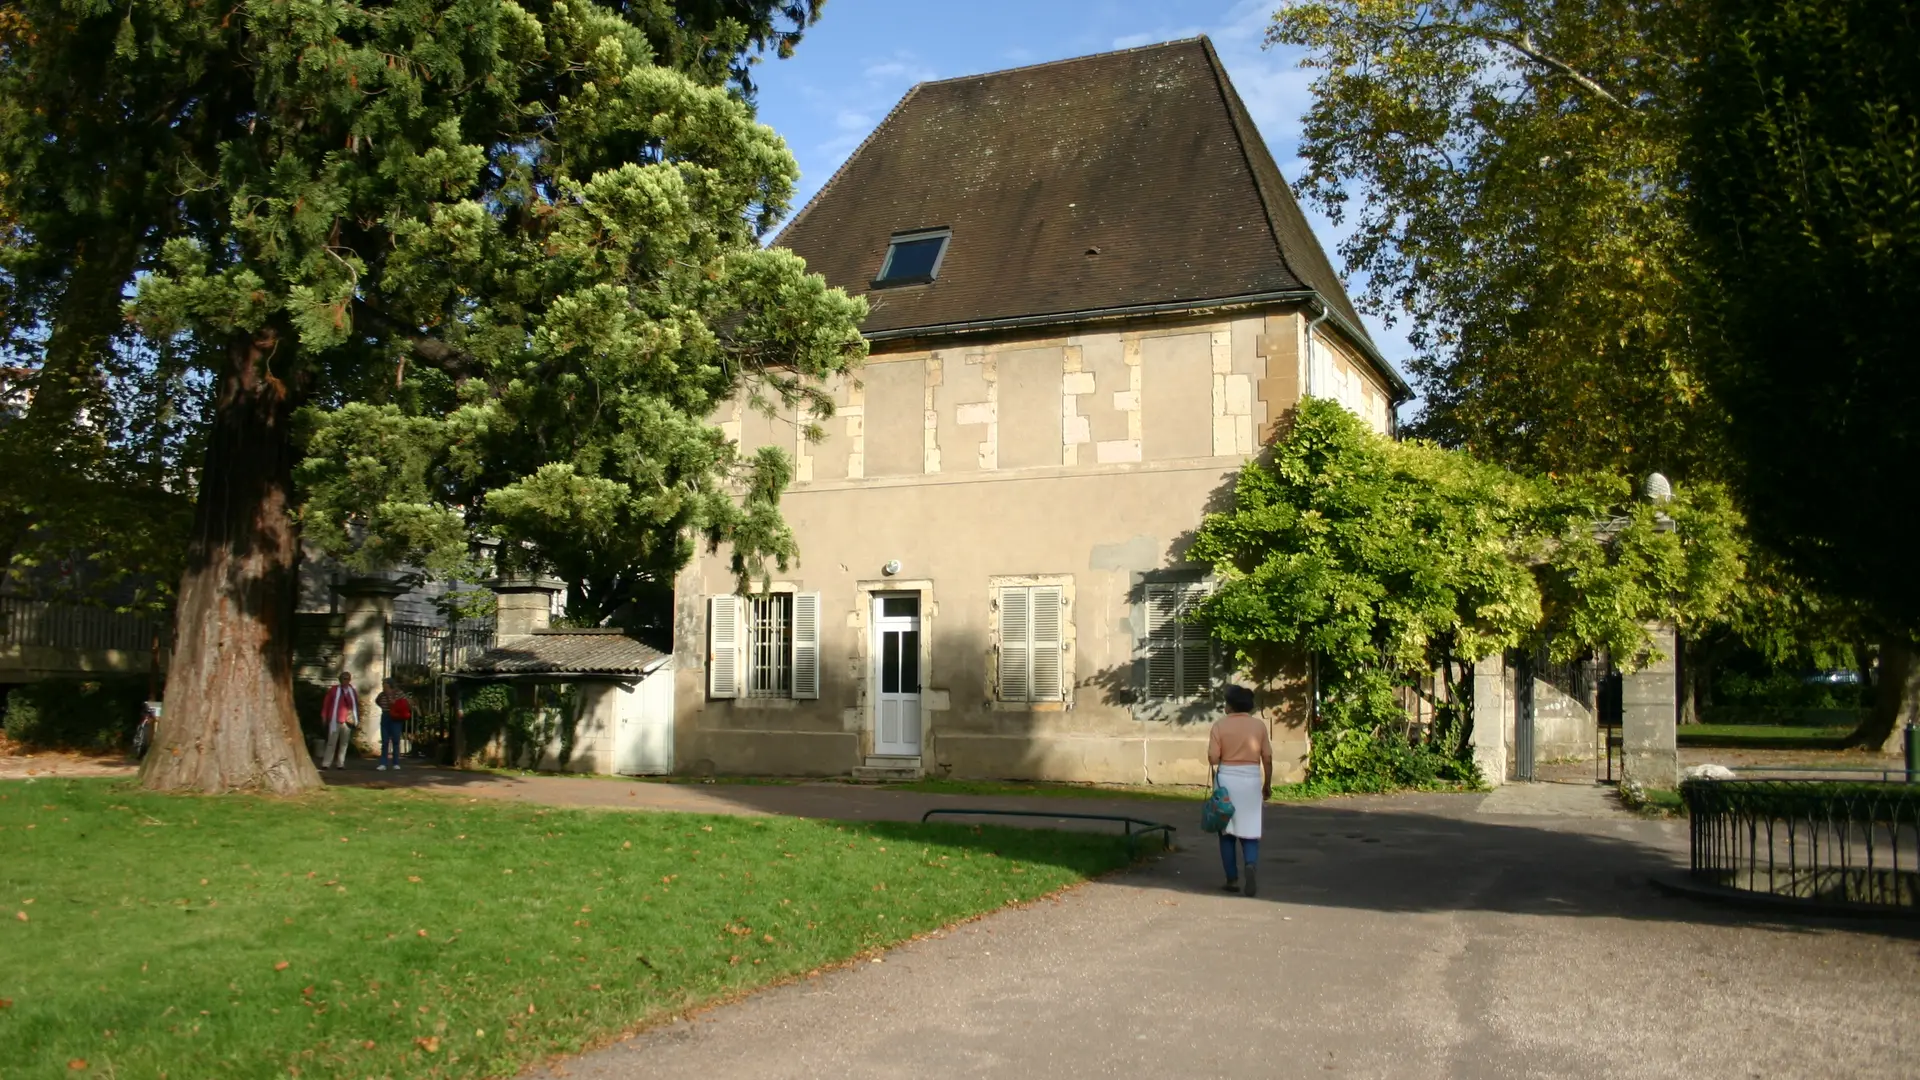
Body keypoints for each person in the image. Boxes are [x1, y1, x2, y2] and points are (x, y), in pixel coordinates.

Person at [1207, 684, 1272, 896]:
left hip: (1227, 779)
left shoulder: (1219, 726)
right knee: (1250, 829)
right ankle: (1250, 864)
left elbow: (1213, 758)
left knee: (1226, 831)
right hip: (1251, 780)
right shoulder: (1259, 726)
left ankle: (1232, 879)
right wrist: (1267, 783)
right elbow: (1267, 757)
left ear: (1231, 706)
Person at [318, 670, 359, 770]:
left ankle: (340, 763)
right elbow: (327, 703)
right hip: (335, 719)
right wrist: (324, 716)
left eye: (348, 679)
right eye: (344, 679)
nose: (346, 681)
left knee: (344, 743)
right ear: (340, 680)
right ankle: (326, 763)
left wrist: (356, 719)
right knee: (331, 742)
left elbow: (355, 706)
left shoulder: (352, 691)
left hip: (347, 721)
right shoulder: (334, 690)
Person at [374, 679, 412, 771]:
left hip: (396, 717)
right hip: (385, 716)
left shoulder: (398, 693)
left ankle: (396, 763)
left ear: (390, 685)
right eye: (383, 685)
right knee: (385, 741)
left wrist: (396, 703)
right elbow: (377, 701)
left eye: (385, 685)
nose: (383, 686)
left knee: (395, 740)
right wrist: (384, 708)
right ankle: (383, 763)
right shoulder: (382, 695)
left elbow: (408, 702)